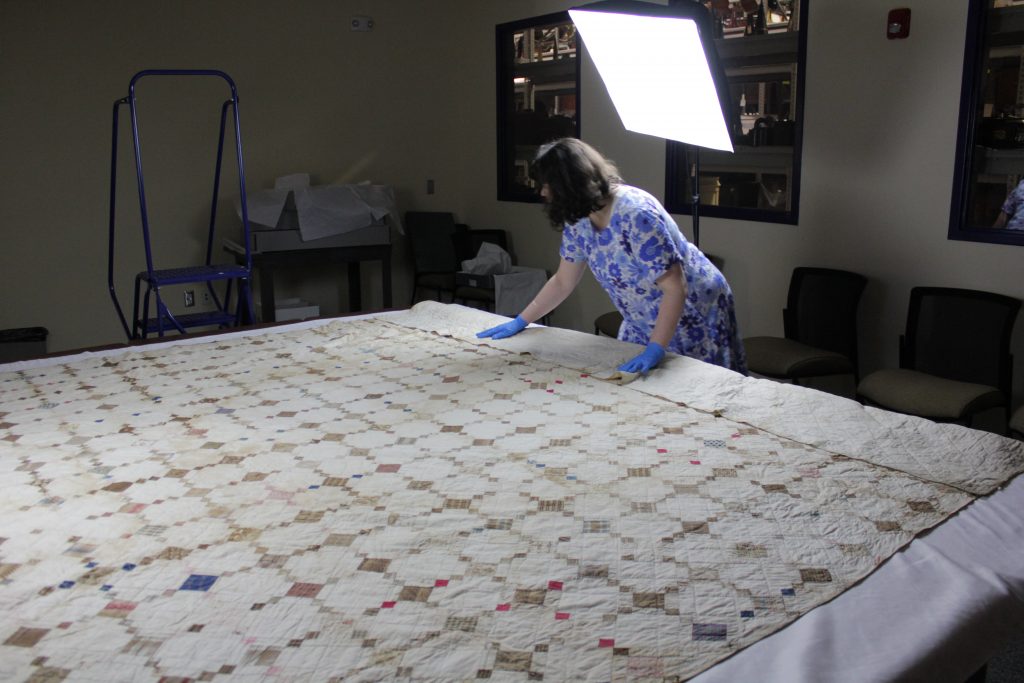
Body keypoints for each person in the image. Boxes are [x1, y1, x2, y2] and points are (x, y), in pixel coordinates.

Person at [477, 138, 747, 376]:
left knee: (700, 393)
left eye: (547, 185)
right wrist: (522, 320)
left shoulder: (636, 213)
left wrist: (655, 349)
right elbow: (563, 281)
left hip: (694, 309)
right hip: (642, 314)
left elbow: (675, 288)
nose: (543, 193)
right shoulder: (579, 217)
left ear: (569, 184)